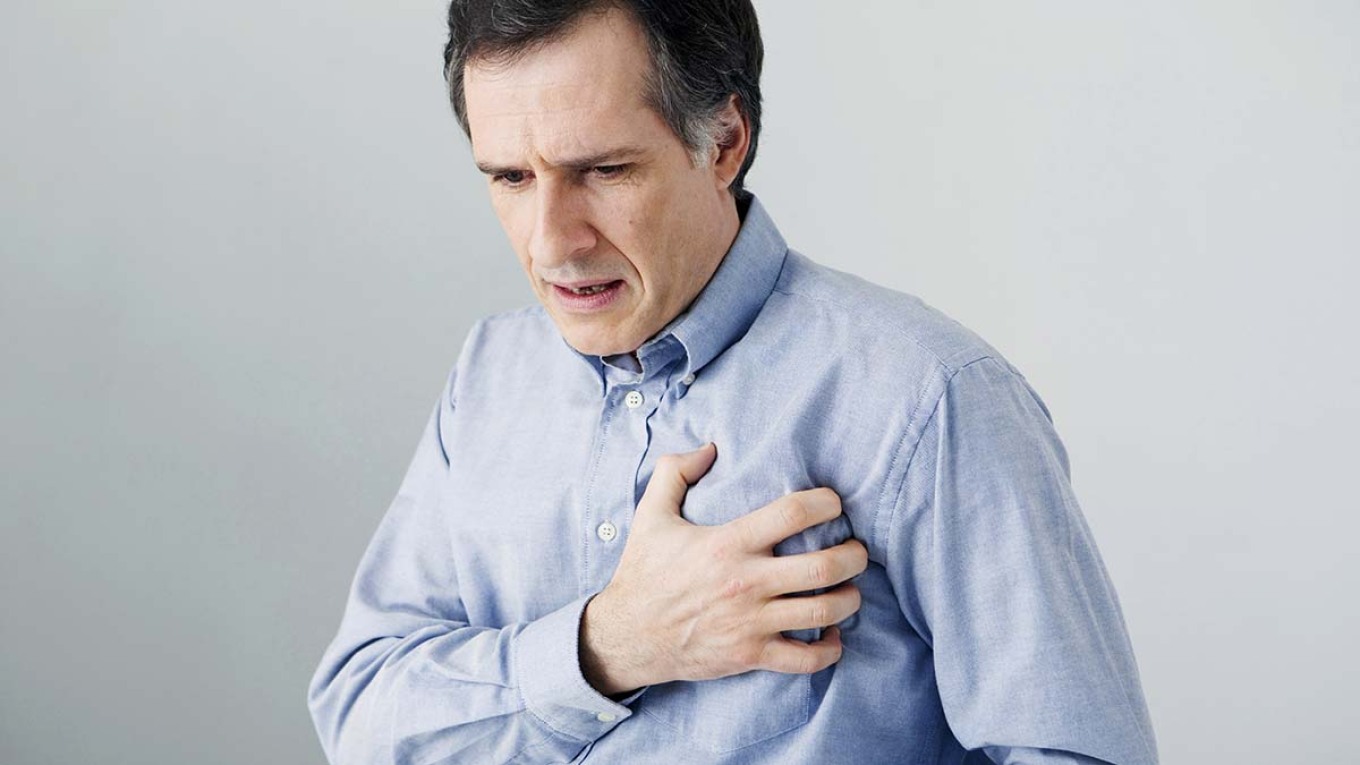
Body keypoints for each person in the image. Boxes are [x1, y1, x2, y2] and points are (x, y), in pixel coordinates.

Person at [307, 2, 1159, 763]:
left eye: (603, 170)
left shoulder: (930, 397)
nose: (551, 241)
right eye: (510, 178)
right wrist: (609, 645)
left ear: (723, 142)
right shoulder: (490, 375)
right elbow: (361, 718)